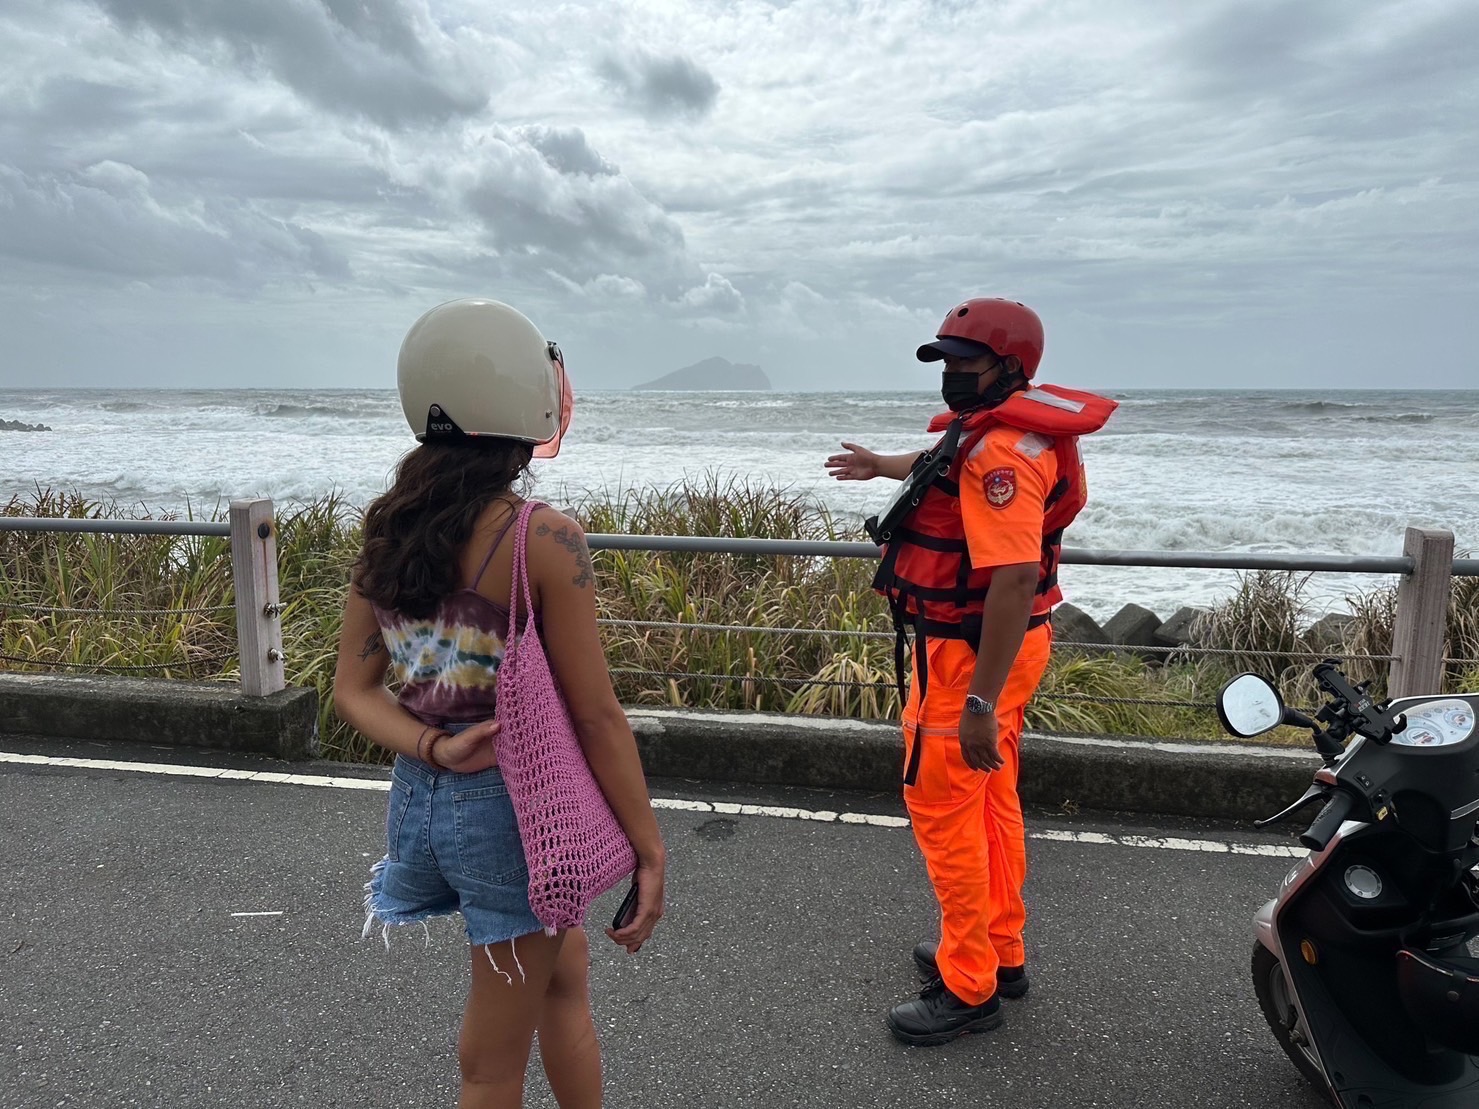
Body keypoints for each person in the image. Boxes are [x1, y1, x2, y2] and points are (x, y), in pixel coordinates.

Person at [333, 297, 667, 1107]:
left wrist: (435, 749)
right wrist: (648, 848)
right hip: (518, 815)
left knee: (562, 976)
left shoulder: (390, 528)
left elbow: (352, 689)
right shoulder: (543, 539)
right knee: (488, 1058)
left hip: (426, 802)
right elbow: (594, 715)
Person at [826, 297, 1116, 1047]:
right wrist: (876, 464)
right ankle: (999, 949)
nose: (951, 373)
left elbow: (1014, 576)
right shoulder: (1001, 434)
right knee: (990, 797)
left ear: (1009, 368)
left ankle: (967, 983)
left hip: (970, 653)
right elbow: (935, 469)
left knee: (942, 806)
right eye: (945, 360)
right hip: (1001, 648)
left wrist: (979, 699)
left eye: (964, 361)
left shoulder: (1000, 457)